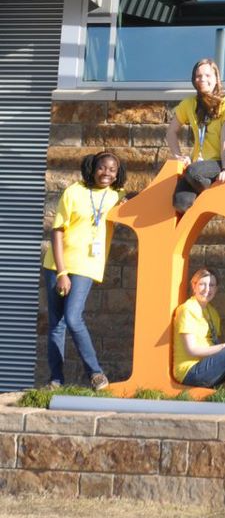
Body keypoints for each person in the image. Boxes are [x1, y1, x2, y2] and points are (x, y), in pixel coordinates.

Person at [41, 151, 127, 390]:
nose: (107, 173)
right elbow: (57, 231)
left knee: (72, 317)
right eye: (102, 168)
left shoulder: (116, 196)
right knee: (57, 323)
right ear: (92, 167)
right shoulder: (74, 192)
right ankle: (56, 379)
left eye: (112, 170)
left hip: (87, 266)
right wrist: (61, 273)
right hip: (58, 265)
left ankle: (95, 373)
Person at [173, 268, 225, 403]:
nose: (207, 289)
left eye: (211, 285)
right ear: (194, 286)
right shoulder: (187, 309)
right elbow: (192, 350)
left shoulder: (212, 312)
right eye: (202, 284)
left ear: (216, 289)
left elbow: (214, 346)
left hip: (206, 366)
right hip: (190, 371)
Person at [165, 58, 225, 212]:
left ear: (216, 79)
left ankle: (216, 195)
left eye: (207, 75)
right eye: (198, 76)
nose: (202, 79)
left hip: (217, 162)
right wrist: (178, 155)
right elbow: (171, 132)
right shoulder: (189, 104)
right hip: (198, 165)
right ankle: (209, 194)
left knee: (192, 171)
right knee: (180, 202)